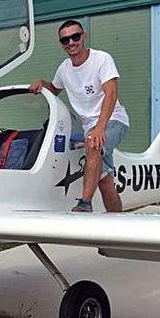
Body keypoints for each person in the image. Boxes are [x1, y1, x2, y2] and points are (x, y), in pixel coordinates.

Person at [29, 20, 130, 212]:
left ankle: (84, 203)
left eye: (75, 37)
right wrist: (42, 82)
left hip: (113, 120)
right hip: (90, 127)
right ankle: (116, 236)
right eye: (65, 40)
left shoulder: (102, 59)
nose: (71, 42)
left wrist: (100, 128)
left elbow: (111, 94)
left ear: (84, 36)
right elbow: (55, 89)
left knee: (93, 143)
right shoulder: (64, 68)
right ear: (61, 44)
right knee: (106, 184)